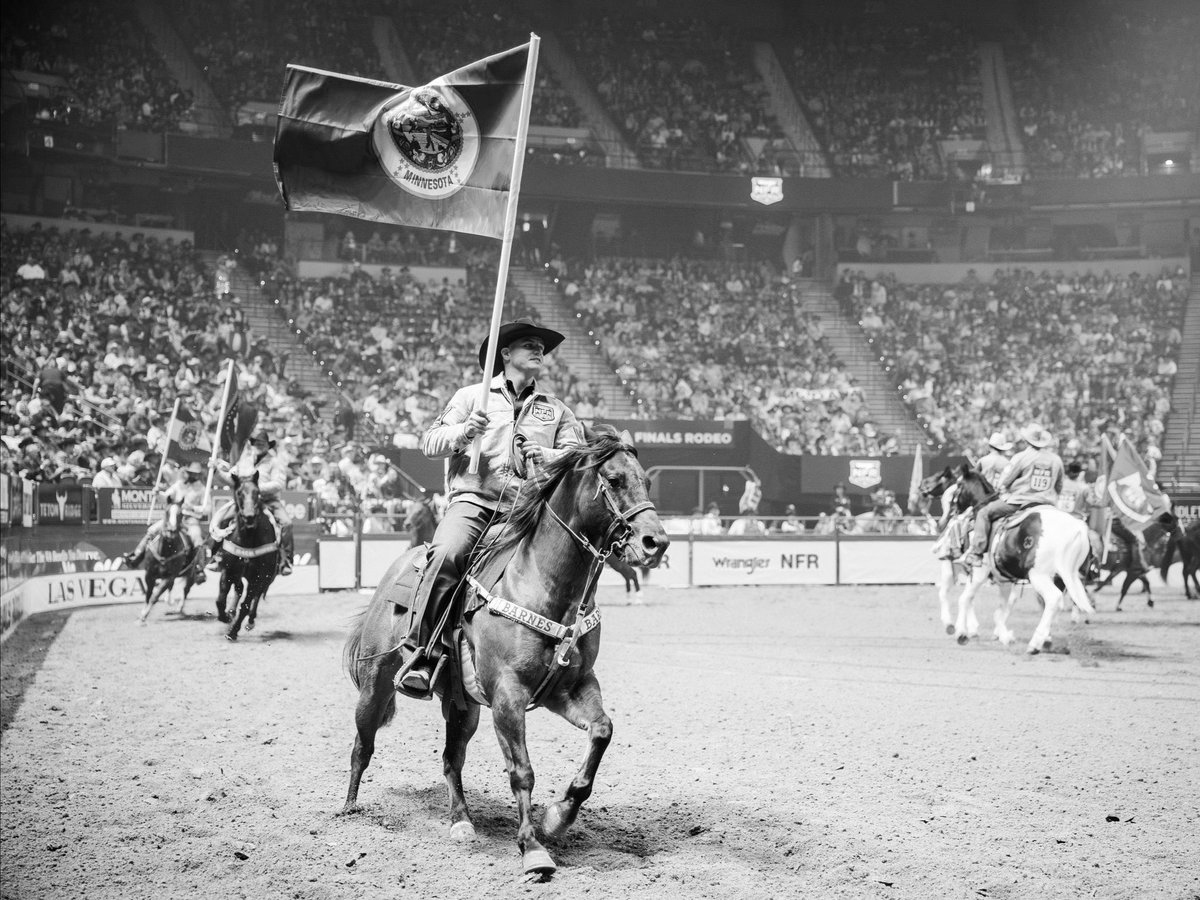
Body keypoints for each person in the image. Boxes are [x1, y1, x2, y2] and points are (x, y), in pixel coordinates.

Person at [396, 318, 583, 697]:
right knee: (447, 554)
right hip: (474, 501)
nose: (539, 351)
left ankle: (566, 648)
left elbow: (578, 455)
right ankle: (422, 653)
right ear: (506, 353)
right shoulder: (471, 397)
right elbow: (430, 442)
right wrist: (465, 432)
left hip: (528, 509)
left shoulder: (556, 409)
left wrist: (547, 455)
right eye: (530, 344)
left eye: (541, 347)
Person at [964, 424, 1064, 568]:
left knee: (983, 513)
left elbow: (1005, 481)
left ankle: (976, 553)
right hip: (1047, 504)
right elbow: (1059, 486)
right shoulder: (1056, 460)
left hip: (1020, 502)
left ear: (1026, 441)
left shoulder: (1021, 457)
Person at [206, 429, 295, 576]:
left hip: (268, 501)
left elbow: (278, 484)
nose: (259, 445)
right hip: (245, 502)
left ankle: (286, 560)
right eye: (256, 442)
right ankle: (217, 556)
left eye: (262, 443)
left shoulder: (275, 463)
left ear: (268, 446)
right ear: (252, 444)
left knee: (286, 523)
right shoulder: (244, 462)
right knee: (221, 520)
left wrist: (255, 489)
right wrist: (216, 470)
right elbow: (231, 479)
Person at [122, 461, 210, 583]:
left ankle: (199, 568)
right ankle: (136, 555)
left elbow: (207, 509)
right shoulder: (179, 485)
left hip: (190, 520)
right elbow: (166, 497)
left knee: (197, 539)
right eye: (191, 473)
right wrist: (157, 494)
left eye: (195, 474)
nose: (192, 476)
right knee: (152, 530)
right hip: (173, 517)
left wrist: (192, 507)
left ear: (199, 475)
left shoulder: (202, 489)